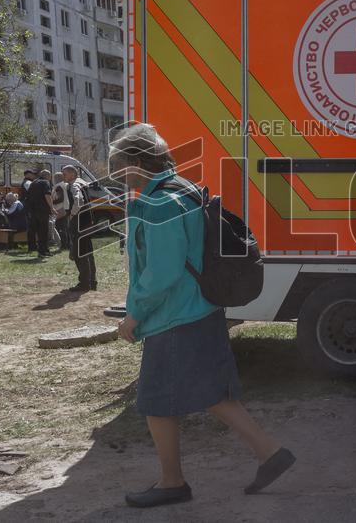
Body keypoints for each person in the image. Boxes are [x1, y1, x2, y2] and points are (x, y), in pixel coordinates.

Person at [109, 123, 295, 508]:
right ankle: (271, 453)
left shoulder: (158, 202)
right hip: (203, 309)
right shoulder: (183, 188)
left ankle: (172, 482)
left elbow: (162, 272)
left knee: (157, 402)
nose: (120, 175)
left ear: (140, 162)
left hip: (174, 317)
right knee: (214, 394)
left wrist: (132, 316)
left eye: (123, 166)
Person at [62, 165, 97, 292]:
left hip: (79, 222)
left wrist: (72, 214)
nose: (63, 176)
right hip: (88, 220)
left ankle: (84, 283)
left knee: (79, 253)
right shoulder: (83, 182)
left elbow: (78, 200)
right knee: (88, 252)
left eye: (65, 174)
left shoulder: (74, 185)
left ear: (72, 174)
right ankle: (92, 282)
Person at [24, 169, 53, 258]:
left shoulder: (34, 183)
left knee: (35, 230)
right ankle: (43, 251)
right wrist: (52, 208)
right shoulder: (45, 182)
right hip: (42, 210)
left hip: (33, 211)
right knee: (43, 231)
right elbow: (47, 195)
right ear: (47, 176)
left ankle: (37, 248)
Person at [52, 171, 70, 250]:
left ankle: (63, 245)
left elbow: (60, 198)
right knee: (65, 227)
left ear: (56, 178)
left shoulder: (58, 186)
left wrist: (51, 202)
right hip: (66, 208)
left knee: (60, 227)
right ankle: (67, 244)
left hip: (60, 209)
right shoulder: (65, 185)